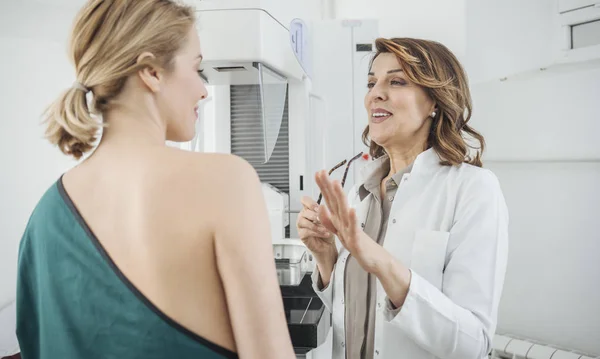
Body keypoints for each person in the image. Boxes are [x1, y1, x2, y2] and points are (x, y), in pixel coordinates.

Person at [16, 1, 295, 358]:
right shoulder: (226, 182)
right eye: (197, 69)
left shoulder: (44, 216)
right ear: (151, 72)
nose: (203, 90)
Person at [297, 37, 509, 359]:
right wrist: (327, 260)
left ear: (435, 101)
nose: (375, 94)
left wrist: (380, 261)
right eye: (372, 82)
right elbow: (356, 314)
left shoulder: (474, 190)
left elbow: (473, 345)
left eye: (396, 81)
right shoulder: (358, 195)